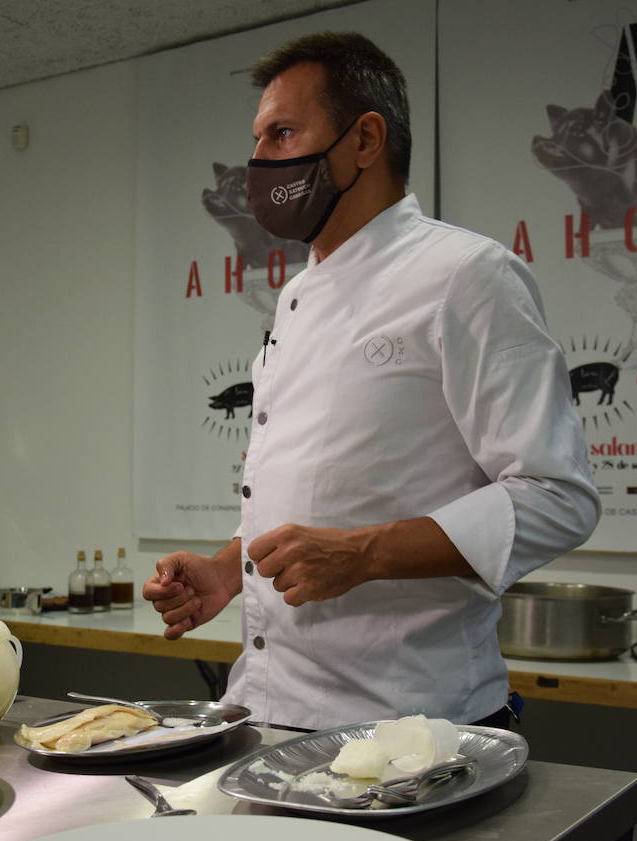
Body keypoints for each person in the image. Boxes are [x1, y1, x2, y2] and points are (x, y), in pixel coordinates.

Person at [143, 33, 599, 730]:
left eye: (283, 133)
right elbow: (323, 493)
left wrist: (364, 554)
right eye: (258, 139)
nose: (259, 162)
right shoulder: (296, 301)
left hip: (411, 729)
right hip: (266, 711)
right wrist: (227, 571)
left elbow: (557, 497)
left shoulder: (465, 276)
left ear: (365, 140)